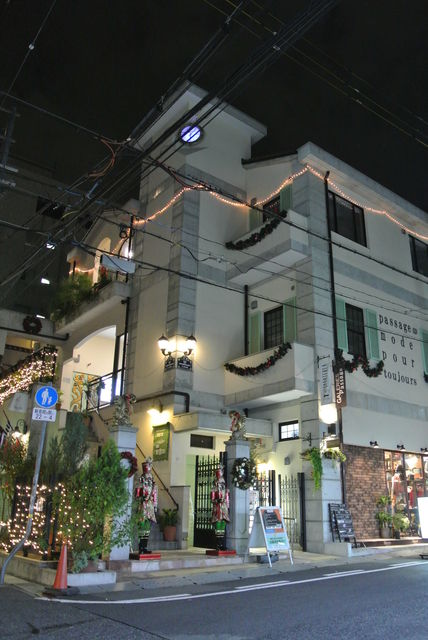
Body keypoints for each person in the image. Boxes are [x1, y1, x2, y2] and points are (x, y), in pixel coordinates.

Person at [135, 457, 157, 555]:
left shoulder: (152, 480)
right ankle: (141, 547)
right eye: (147, 479)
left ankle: (145, 546)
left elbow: (154, 493)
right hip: (143, 505)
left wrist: (154, 505)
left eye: (149, 479)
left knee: (147, 527)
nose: (148, 480)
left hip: (150, 506)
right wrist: (143, 497)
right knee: (142, 526)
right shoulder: (141, 479)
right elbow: (138, 491)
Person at [210, 465, 230, 550]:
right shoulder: (214, 489)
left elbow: (227, 500)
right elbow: (212, 499)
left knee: (223, 525)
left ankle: (221, 543)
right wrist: (217, 501)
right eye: (219, 482)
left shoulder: (226, 490)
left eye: (222, 482)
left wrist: (227, 507)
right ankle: (218, 543)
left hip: (224, 509)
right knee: (218, 525)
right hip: (217, 508)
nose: (221, 484)